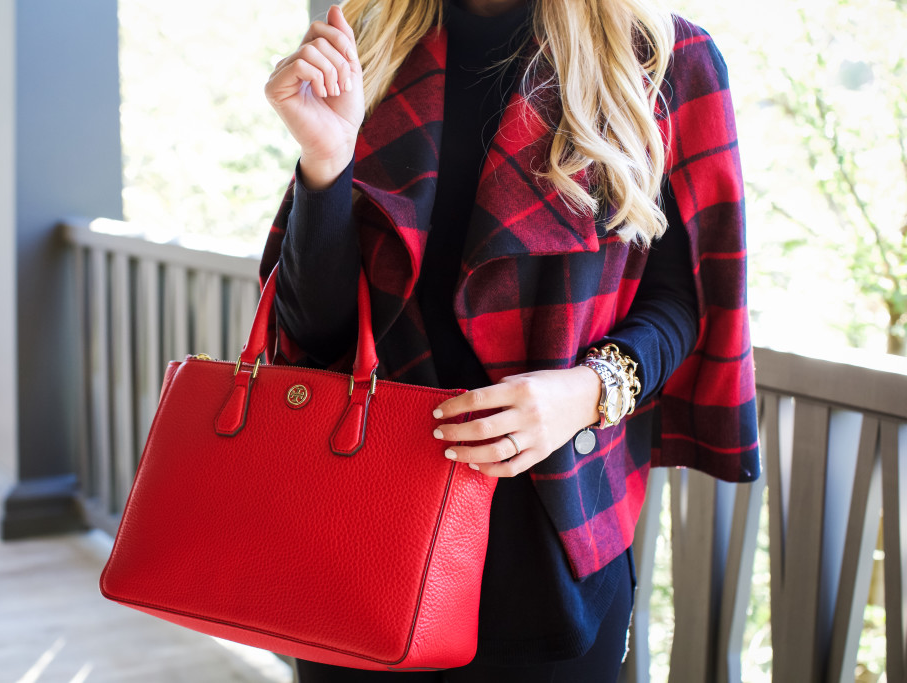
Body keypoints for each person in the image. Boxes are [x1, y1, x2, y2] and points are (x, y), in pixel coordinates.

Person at [261, 0, 760, 680]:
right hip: (363, 525)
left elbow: (688, 296)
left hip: (547, 539)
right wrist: (325, 162)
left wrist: (587, 391)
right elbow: (313, 333)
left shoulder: (663, 56)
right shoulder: (372, 38)